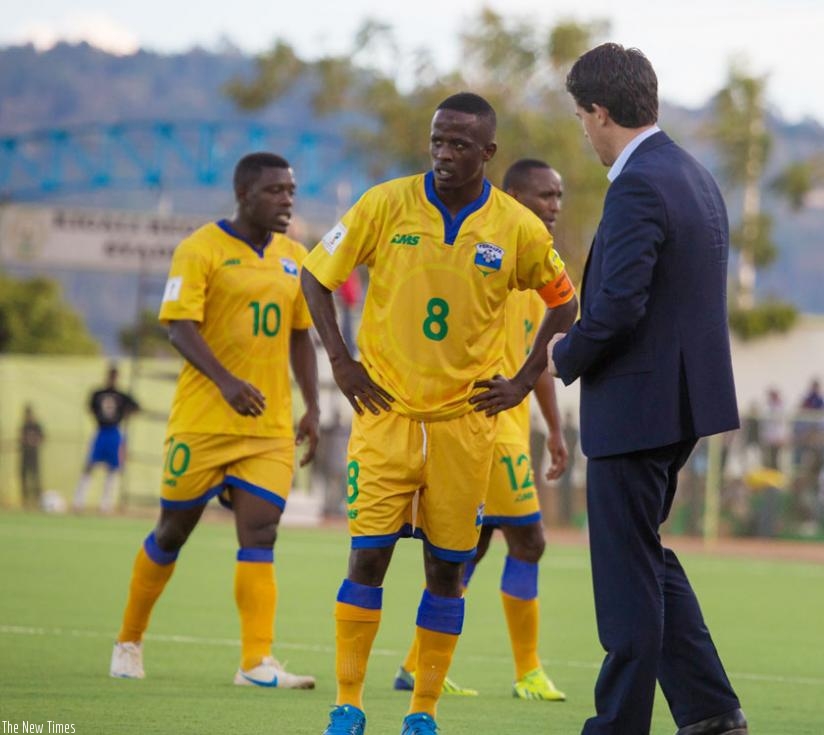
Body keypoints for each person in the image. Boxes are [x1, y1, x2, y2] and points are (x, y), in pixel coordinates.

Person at [301, 93, 578, 735]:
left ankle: (422, 712)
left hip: (466, 426)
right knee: (367, 558)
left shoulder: (517, 228)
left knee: (447, 569)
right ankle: (348, 705)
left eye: (459, 145)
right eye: (437, 142)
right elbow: (315, 276)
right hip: (385, 417)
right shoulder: (384, 203)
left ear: (488, 153)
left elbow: (565, 306)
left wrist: (524, 376)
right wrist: (341, 363)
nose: (445, 155)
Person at [548, 44, 747, 735]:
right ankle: (712, 710)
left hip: (637, 405)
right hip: (680, 403)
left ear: (600, 113)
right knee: (648, 559)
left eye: (581, 116)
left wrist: (561, 353)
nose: (583, 129)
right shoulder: (693, 174)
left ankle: (619, 725)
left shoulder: (637, 183)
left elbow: (620, 306)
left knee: (626, 575)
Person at [109, 152, 320, 691]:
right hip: (203, 424)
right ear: (244, 194)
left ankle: (256, 662)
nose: (287, 200)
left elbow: (300, 335)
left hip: (269, 427)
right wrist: (226, 382)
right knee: (172, 532)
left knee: (261, 531)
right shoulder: (200, 248)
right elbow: (179, 328)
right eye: (276, 191)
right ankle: (128, 641)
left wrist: (313, 406)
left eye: (291, 191)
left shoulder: (296, 258)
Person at [393, 158, 570, 702]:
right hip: (483, 429)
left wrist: (555, 431)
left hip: (511, 428)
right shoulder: (490, 263)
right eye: (545, 196)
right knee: (528, 541)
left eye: (560, 197)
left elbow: (533, 362)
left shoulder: (540, 271)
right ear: (513, 195)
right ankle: (527, 672)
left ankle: (417, 664)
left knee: (476, 547)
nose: (555, 207)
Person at [72, 364, 140, 513]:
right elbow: (90, 408)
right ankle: (78, 501)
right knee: (89, 466)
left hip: (115, 432)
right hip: (101, 431)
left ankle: (106, 504)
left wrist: (125, 414)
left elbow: (136, 407)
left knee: (113, 469)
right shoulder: (98, 393)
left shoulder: (122, 395)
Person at [19, 403, 45, 510]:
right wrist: (24, 441)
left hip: (34, 456)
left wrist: (34, 441)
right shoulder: (24, 426)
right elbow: (21, 439)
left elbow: (42, 438)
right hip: (25, 455)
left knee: (35, 477)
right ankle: (25, 500)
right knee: (24, 477)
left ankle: (38, 500)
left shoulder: (36, 426)